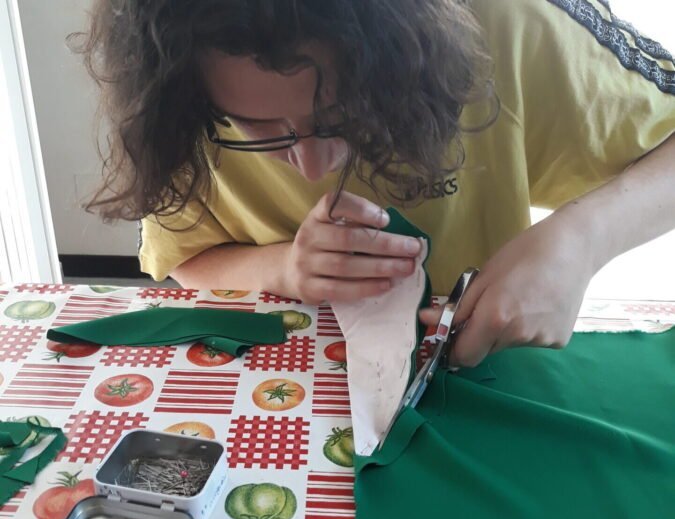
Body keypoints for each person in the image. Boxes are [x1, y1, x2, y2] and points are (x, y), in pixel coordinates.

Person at [73, 0, 675, 367]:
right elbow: (187, 255)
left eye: (345, 116)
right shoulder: (180, 101)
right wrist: (283, 270)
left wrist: (581, 240)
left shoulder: (509, 24)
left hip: (490, 381)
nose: (313, 169)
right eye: (253, 125)